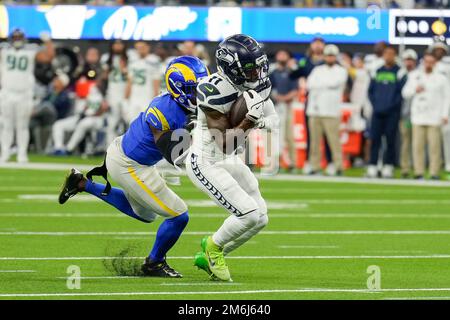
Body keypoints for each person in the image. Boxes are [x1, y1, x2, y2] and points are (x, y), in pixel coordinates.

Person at [58, 56, 209, 277]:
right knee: (179, 215)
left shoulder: (182, 104)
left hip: (134, 159)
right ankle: (154, 263)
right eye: (193, 89)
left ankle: (82, 184)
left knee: (147, 215)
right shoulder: (163, 109)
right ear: (178, 88)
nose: (199, 94)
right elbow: (172, 154)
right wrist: (191, 135)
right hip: (129, 164)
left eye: (200, 87)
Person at [187, 34, 279, 281]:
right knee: (247, 214)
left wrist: (259, 119)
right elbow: (226, 143)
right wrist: (249, 120)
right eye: (250, 68)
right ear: (231, 68)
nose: (257, 72)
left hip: (228, 158)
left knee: (260, 217)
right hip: (205, 161)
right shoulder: (211, 90)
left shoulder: (257, 83)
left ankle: (213, 253)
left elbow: (274, 119)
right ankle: (213, 247)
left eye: (258, 65)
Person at [0, 29, 54, 163]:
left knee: (22, 125)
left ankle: (22, 153)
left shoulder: (31, 51)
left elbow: (49, 57)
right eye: (15, 37)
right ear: (11, 38)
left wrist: (48, 42)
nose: (17, 39)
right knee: (6, 125)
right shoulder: (4, 50)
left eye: (19, 37)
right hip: (7, 92)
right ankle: (5, 153)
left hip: (24, 93)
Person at [402, 52, 450, 180]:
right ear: (423, 62)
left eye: (431, 62)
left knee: (435, 147)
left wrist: (445, 114)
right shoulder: (415, 76)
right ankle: (419, 172)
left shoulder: (441, 78)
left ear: (435, 63)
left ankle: (434, 172)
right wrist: (414, 90)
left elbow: (447, 97)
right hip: (418, 116)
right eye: (426, 62)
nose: (428, 64)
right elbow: (405, 93)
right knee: (417, 146)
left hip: (435, 117)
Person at [306, 44, 348, 175]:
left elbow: (335, 83)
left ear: (335, 57)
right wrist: (324, 85)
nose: (330, 58)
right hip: (315, 110)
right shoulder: (317, 70)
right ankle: (314, 166)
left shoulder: (341, 71)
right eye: (328, 55)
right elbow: (309, 84)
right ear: (325, 56)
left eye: (332, 55)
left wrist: (320, 85)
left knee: (334, 141)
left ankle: (338, 165)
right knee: (314, 141)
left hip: (331, 111)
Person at [367, 45, 405, 178]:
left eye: (391, 53)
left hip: (392, 113)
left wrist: (391, 106)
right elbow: (370, 91)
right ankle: (373, 164)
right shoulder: (376, 71)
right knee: (375, 139)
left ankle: (388, 165)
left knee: (390, 140)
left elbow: (401, 93)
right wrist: (376, 105)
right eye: (386, 53)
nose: (388, 56)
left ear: (395, 56)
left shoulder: (400, 72)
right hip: (377, 111)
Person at [52, 84, 107, 155]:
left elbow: (103, 109)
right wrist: (83, 114)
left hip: (95, 119)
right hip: (81, 117)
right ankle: (58, 148)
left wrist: (90, 114)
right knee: (58, 124)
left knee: (83, 124)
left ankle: (69, 149)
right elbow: (85, 109)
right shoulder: (87, 96)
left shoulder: (103, 96)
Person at [269, 49, 298, 172]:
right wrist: (277, 97)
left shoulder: (292, 72)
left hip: (287, 106)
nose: (281, 56)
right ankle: (275, 162)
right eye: (279, 54)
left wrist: (284, 98)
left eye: (284, 54)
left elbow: (295, 90)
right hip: (274, 107)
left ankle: (292, 163)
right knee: (274, 135)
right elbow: (269, 89)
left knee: (289, 136)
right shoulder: (272, 72)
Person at [124, 41, 161, 124]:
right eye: (138, 48)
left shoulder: (153, 60)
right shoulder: (133, 61)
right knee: (131, 124)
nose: (140, 50)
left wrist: (155, 99)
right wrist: (125, 99)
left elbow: (156, 81)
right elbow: (129, 82)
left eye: (142, 47)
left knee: (146, 125)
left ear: (148, 47)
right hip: (134, 97)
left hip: (147, 97)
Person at [101, 40, 128, 144]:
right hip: (112, 94)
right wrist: (104, 97)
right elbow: (104, 80)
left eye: (120, 44)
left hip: (126, 94)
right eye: (115, 44)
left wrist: (124, 68)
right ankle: (109, 149)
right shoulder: (107, 58)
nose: (117, 46)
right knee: (112, 123)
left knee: (129, 121)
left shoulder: (130, 57)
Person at [398, 49, 418, 178]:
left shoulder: (419, 74)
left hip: (418, 114)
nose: (409, 62)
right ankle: (405, 167)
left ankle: (418, 168)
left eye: (411, 60)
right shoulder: (400, 74)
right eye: (407, 60)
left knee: (417, 143)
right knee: (405, 142)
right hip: (404, 114)